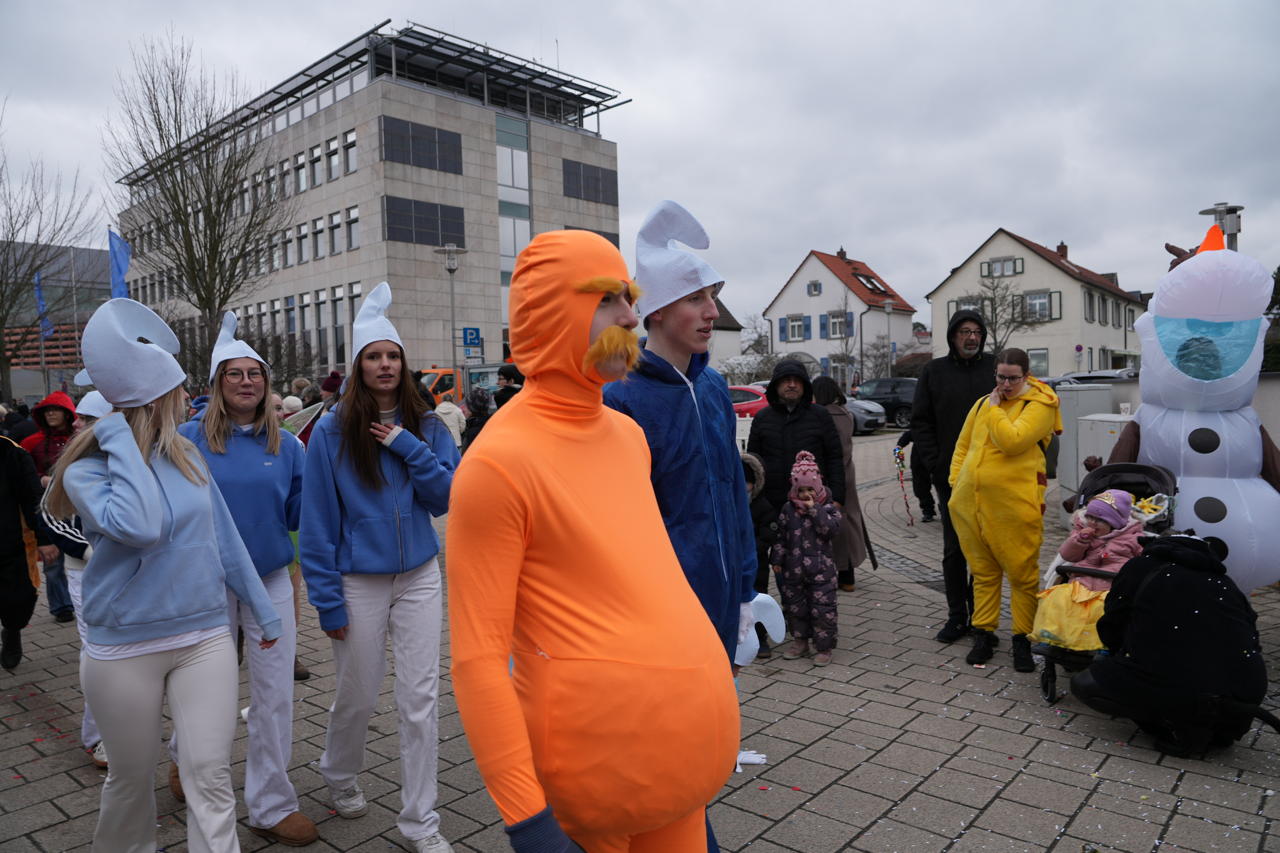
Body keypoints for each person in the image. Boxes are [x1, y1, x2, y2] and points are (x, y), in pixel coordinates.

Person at [446, 230, 739, 853]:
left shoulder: (626, 436)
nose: (632, 316)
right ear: (555, 312)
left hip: (680, 768)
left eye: (628, 298)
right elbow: (477, 660)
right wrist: (526, 819)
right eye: (608, 300)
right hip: (591, 785)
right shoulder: (497, 464)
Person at [45, 297, 281, 853]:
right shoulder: (87, 468)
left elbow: (224, 540)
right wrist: (120, 439)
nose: (188, 398)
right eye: (178, 389)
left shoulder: (187, 456)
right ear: (159, 396)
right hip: (123, 648)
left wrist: (263, 612)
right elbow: (141, 524)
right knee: (130, 785)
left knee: (211, 776)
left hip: (203, 639)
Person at [299, 282, 458, 853]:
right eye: (374, 356)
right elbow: (316, 521)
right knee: (358, 695)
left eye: (392, 355)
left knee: (420, 702)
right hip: (356, 580)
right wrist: (326, 599)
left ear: (403, 363)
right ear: (358, 366)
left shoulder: (431, 425)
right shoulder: (333, 431)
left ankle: (421, 823)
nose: (385, 365)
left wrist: (407, 446)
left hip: (419, 576)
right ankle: (339, 772)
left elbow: (447, 499)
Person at [174, 312, 315, 846]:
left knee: (275, 694)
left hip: (270, 582)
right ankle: (184, 762)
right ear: (216, 384)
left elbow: (302, 512)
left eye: (254, 373)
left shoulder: (288, 446)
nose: (246, 381)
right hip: (204, 584)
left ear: (267, 383)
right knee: (201, 691)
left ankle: (271, 804)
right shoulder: (186, 440)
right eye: (234, 374)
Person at [603, 199, 757, 666]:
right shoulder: (620, 396)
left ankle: (721, 744)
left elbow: (732, 490)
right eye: (696, 298)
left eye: (712, 296)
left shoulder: (713, 387)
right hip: (660, 593)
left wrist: (746, 581)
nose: (713, 311)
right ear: (656, 312)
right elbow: (618, 517)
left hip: (724, 579)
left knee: (720, 689)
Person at [1070, 533, 1272, 756]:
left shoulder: (1142, 566)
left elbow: (1113, 622)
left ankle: (1179, 732)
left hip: (1181, 687)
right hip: (1246, 691)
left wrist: (1121, 655)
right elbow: (1252, 636)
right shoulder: (1226, 583)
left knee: (1086, 683)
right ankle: (1219, 730)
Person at [948, 348, 1062, 672]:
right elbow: (964, 445)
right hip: (971, 503)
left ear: (1026, 376)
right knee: (983, 573)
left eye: (1013, 378)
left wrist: (997, 410)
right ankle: (983, 633)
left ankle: (1022, 640)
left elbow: (1012, 441)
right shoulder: (983, 403)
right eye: (1001, 377)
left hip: (1015, 506)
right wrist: (957, 483)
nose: (1006, 384)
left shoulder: (1039, 405)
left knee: (1022, 575)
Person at [911, 310, 996, 643]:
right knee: (955, 549)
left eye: (976, 331)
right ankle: (957, 616)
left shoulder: (995, 369)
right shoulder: (934, 372)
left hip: (992, 477)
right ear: (952, 336)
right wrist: (935, 463)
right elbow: (921, 421)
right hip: (950, 477)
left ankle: (983, 619)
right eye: (964, 332)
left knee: (986, 551)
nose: (971, 337)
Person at [41, 390, 111, 766]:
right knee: (96, 651)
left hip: (133, 577)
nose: (77, 423)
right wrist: (91, 553)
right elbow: (51, 516)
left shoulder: (134, 460)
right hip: (85, 575)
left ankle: (120, 727)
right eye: (78, 417)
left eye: (86, 418)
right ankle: (98, 736)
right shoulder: (69, 464)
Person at [747, 360, 845, 529]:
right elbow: (753, 462)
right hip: (772, 506)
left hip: (813, 504)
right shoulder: (762, 418)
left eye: (797, 380)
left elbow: (834, 457)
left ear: (805, 385)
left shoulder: (820, 416)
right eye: (786, 380)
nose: (792, 385)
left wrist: (837, 498)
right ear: (776, 385)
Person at [769, 451, 843, 665]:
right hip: (794, 570)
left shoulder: (828, 508)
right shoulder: (788, 509)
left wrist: (815, 511)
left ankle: (824, 647)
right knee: (796, 607)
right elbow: (781, 536)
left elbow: (830, 530)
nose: (805, 495)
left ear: (818, 487)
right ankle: (800, 640)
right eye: (800, 490)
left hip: (822, 572)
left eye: (810, 489)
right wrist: (777, 559)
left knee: (823, 610)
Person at [811, 376, 874, 590]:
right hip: (848, 472)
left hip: (830, 475)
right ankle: (848, 575)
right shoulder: (846, 414)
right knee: (849, 521)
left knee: (830, 524)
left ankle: (840, 573)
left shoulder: (822, 416)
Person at [21, 390, 78, 622]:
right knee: (52, 562)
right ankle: (61, 606)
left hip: (79, 506)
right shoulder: (31, 443)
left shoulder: (79, 438)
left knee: (86, 556)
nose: (51, 414)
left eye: (55, 409)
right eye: (47, 411)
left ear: (67, 413)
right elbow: (22, 474)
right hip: (48, 508)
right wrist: (39, 479)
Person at [1, 432, 57, 670]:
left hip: (9, 542)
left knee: (18, 599)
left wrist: (44, 538)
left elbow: (32, 497)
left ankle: (12, 630)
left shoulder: (11, 452)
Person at [1056, 489, 1143, 588]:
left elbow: (1144, 563)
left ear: (1114, 524)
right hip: (1080, 584)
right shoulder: (1082, 534)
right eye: (1089, 517)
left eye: (1100, 520)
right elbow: (1067, 556)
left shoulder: (1132, 538)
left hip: (1112, 587)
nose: (1092, 522)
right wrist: (1080, 541)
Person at [742, 451, 780, 659]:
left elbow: (768, 534)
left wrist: (753, 548)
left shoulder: (762, 506)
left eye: (747, 483)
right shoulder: (730, 505)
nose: (744, 487)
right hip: (735, 564)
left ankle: (760, 637)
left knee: (757, 598)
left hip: (757, 563)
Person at [895, 428, 937, 522]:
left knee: (942, 486)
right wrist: (899, 448)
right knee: (920, 488)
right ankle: (928, 511)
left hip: (937, 459)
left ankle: (944, 508)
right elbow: (909, 434)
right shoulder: (920, 425)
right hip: (919, 462)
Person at [461, 386, 491, 452]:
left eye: (466, 405)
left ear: (472, 409)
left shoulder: (473, 433)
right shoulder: (490, 424)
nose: (463, 409)